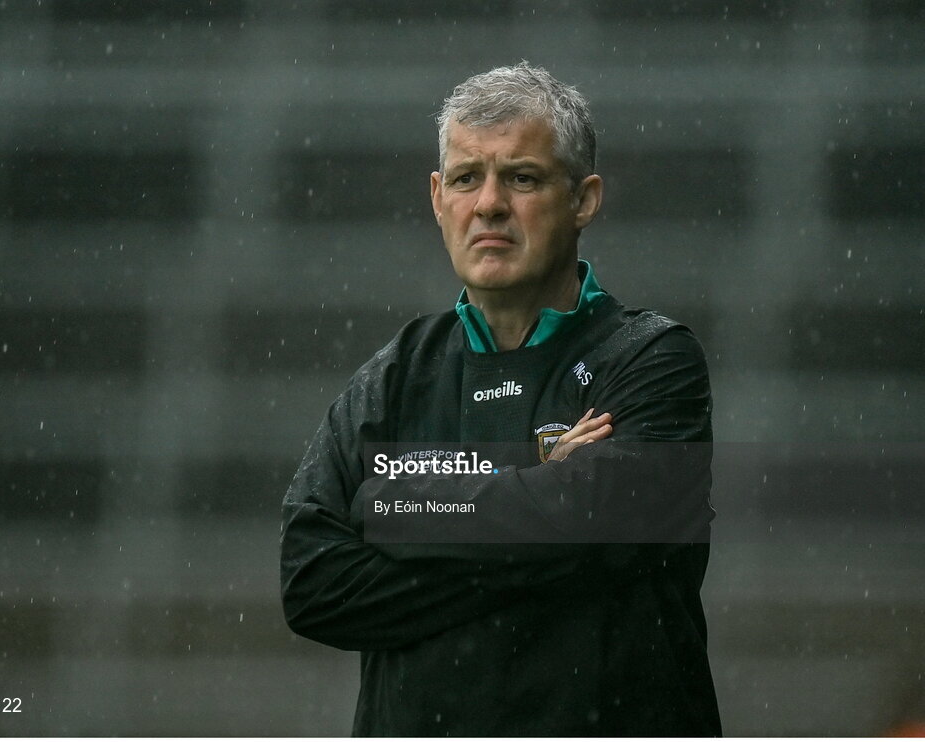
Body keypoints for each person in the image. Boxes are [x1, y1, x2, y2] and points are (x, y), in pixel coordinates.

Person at [280, 61, 721, 736]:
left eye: (521, 177)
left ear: (584, 198)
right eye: (465, 178)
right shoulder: (392, 378)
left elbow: (602, 527)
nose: (488, 203)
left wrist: (394, 506)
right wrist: (538, 502)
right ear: (436, 197)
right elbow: (312, 586)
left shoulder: (652, 361)